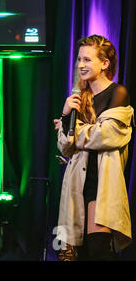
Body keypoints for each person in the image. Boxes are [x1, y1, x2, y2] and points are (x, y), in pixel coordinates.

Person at [54, 35, 133, 261]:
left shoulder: (118, 93)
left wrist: (73, 128)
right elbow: (64, 147)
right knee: (77, 254)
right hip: (77, 182)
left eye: (87, 60)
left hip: (103, 183)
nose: (81, 65)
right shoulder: (78, 97)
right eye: (79, 59)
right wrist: (65, 113)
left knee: (99, 250)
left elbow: (107, 135)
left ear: (105, 63)